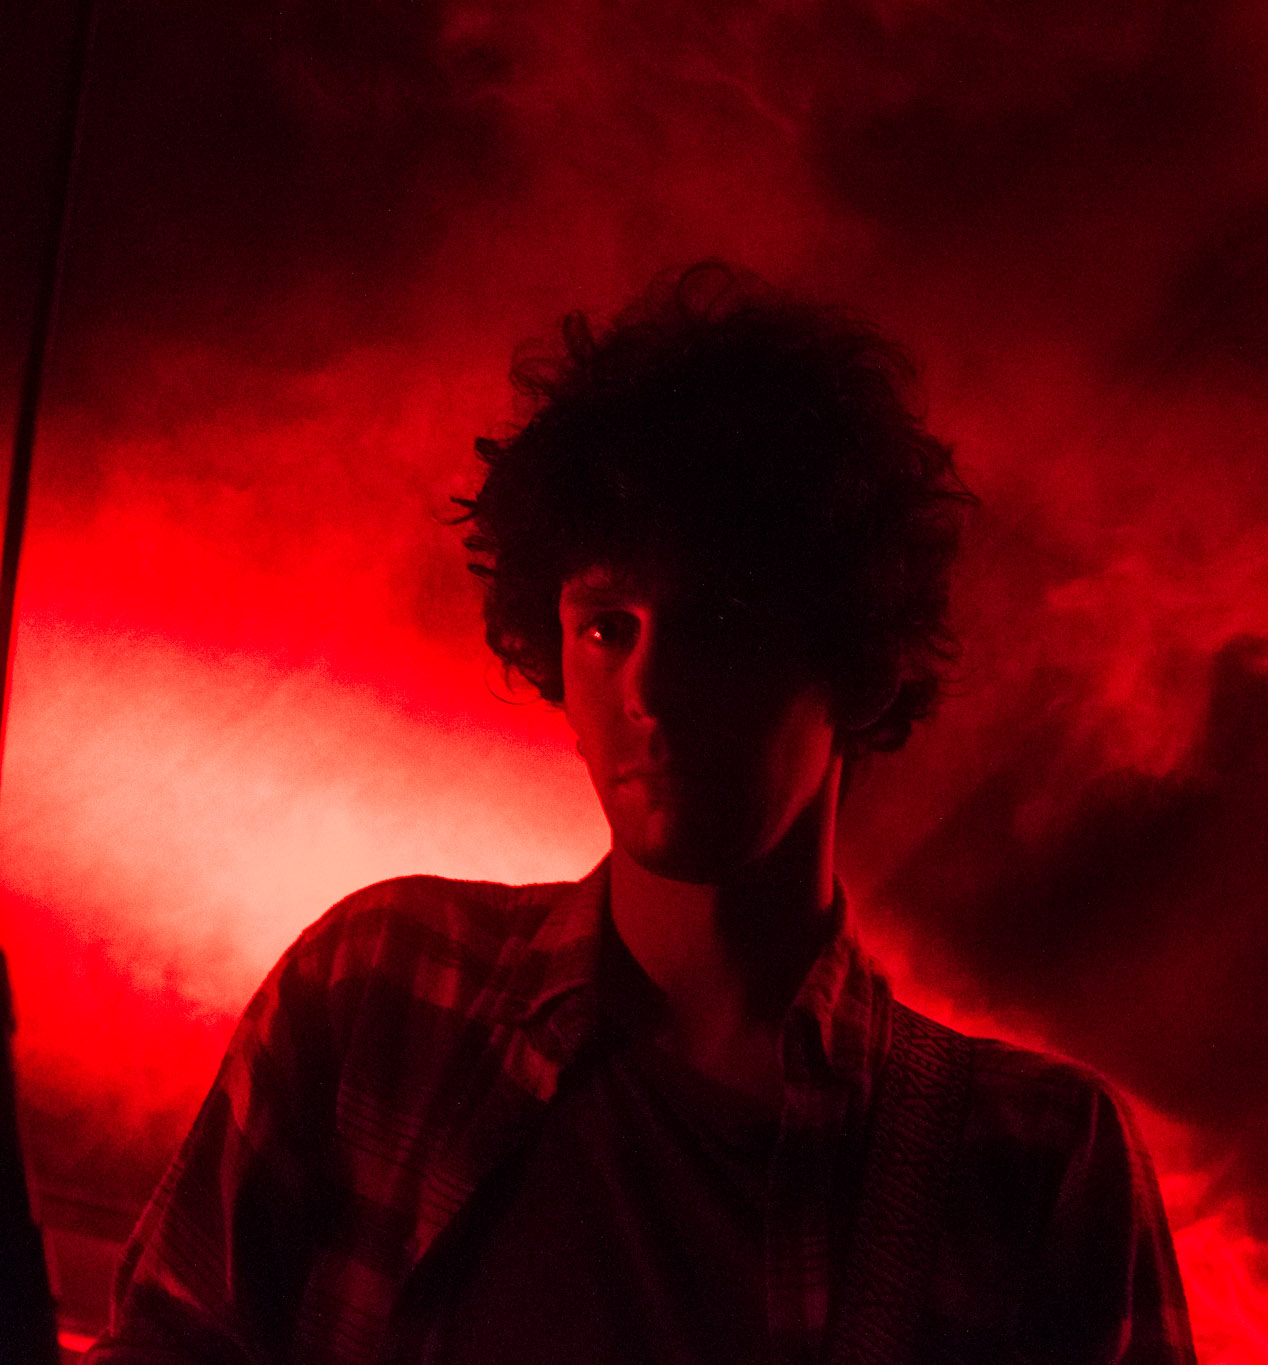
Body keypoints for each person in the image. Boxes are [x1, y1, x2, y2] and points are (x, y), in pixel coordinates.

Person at [89, 264, 1194, 1364]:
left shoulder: (1031, 1159)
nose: (650, 691)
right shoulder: (381, 990)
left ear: (857, 665)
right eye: (605, 625)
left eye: (719, 622)